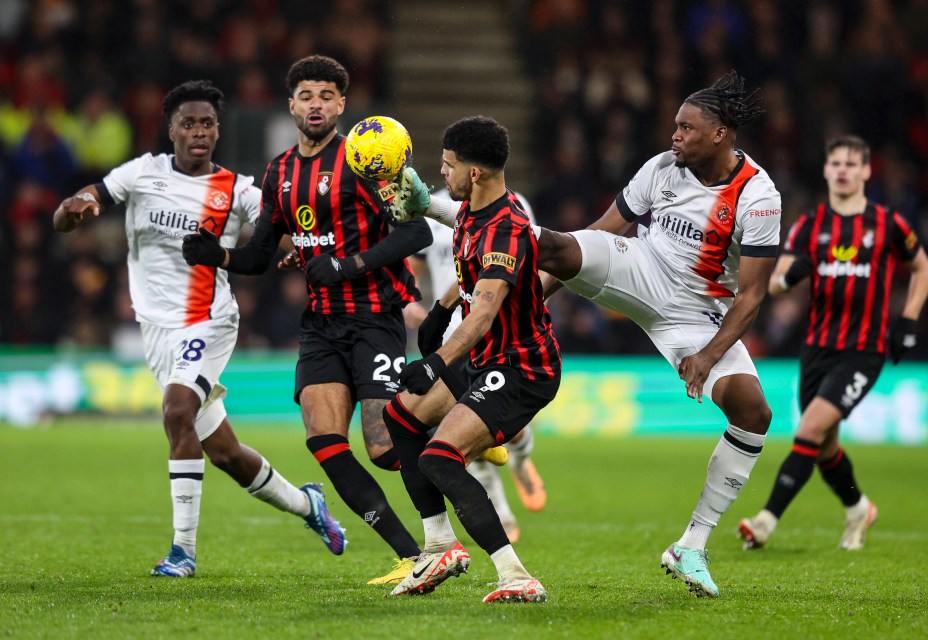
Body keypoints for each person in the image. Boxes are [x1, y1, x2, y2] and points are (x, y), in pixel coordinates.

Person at [394, 71, 780, 598]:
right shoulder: (662, 168)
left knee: (754, 411)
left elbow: (753, 295)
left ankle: (692, 543)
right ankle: (439, 209)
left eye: (687, 128)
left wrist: (710, 355)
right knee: (549, 242)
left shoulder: (759, 197)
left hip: (696, 311)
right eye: (674, 125)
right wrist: (529, 303)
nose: (674, 136)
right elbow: (599, 232)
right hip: (639, 265)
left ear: (720, 134)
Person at [52, 80, 346, 578]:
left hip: (209, 321)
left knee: (177, 409)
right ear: (171, 130)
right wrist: (72, 210)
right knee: (226, 453)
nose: (198, 132)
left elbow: (278, 225)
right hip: (156, 329)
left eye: (207, 123)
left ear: (217, 130)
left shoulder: (237, 188)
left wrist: (297, 245)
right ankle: (308, 506)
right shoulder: (143, 173)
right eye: (188, 123)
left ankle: (182, 551)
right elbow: (83, 203)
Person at [180, 55, 430, 585]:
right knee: (325, 443)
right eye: (306, 96)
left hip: (374, 317)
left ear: (342, 104)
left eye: (326, 96)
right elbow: (260, 253)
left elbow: (417, 234)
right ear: (290, 104)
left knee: (385, 449)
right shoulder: (278, 171)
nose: (315, 105)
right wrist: (216, 254)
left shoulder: (365, 159)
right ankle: (414, 556)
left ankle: (457, 438)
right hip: (320, 324)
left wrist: (348, 264)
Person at [381, 116, 561, 603]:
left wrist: (436, 361)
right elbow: (465, 277)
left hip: (522, 367)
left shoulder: (506, 229)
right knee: (399, 416)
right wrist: (440, 310)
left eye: (448, 165)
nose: (443, 173)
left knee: (439, 457)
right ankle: (439, 544)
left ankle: (515, 575)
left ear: (475, 172)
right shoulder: (471, 212)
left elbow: (482, 313)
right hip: (485, 358)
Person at [737, 135, 928, 551]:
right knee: (824, 446)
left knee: (809, 428)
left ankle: (766, 520)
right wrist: (790, 276)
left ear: (865, 172)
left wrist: (910, 319)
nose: (843, 169)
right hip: (817, 350)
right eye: (836, 163)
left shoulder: (886, 223)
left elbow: (923, 268)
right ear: (826, 170)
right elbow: (772, 283)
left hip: (864, 350)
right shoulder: (810, 226)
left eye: (851, 163)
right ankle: (859, 507)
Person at [405, 188, 547, 543]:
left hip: (493, 331)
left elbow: (532, 265)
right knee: (462, 429)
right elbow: (418, 265)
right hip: (451, 338)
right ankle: (500, 509)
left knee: (506, 431)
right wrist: (409, 300)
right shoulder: (433, 211)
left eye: (449, 163)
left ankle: (521, 457)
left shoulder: (514, 207)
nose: (444, 171)